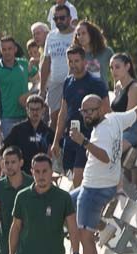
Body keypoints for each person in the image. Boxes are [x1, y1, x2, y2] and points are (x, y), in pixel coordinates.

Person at [67, 94, 137, 254]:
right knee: (65, 204)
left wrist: (83, 142)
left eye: (91, 110)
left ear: (102, 108)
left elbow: (105, 157)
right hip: (101, 187)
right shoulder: (115, 118)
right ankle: (104, 227)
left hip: (94, 190)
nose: (87, 115)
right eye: (84, 111)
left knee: (85, 238)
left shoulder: (101, 132)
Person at [50, 46, 109, 189]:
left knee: (78, 178)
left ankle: (78, 210)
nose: (73, 64)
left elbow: (106, 110)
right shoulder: (68, 82)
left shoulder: (96, 83)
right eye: (70, 61)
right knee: (67, 177)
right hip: (70, 137)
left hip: (88, 138)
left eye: (76, 61)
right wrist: (56, 141)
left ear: (84, 61)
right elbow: (63, 113)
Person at [0, 36, 35, 139]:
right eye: (4, 49)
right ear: (0, 50)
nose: (7, 52)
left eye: (10, 48)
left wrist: (31, 93)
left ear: (15, 49)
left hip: (27, 115)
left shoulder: (24, 63)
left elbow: (39, 79)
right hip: (7, 117)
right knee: (10, 150)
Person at [40, 4, 76, 128]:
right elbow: (46, 62)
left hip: (73, 82)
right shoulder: (51, 36)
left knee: (71, 117)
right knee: (53, 117)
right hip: (55, 83)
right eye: (56, 19)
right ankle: (54, 145)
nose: (59, 21)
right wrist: (42, 88)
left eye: (62, 18)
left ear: (69, 18)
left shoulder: (76, 35)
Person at [4, 93, 53, 163]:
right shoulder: (17, 130)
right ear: (27, 110)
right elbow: (5, 149)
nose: (35, 112)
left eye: (37, 109)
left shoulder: (48, 132)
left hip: (41, 171)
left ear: (43, 110)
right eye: (32, 109)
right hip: (22, 171)